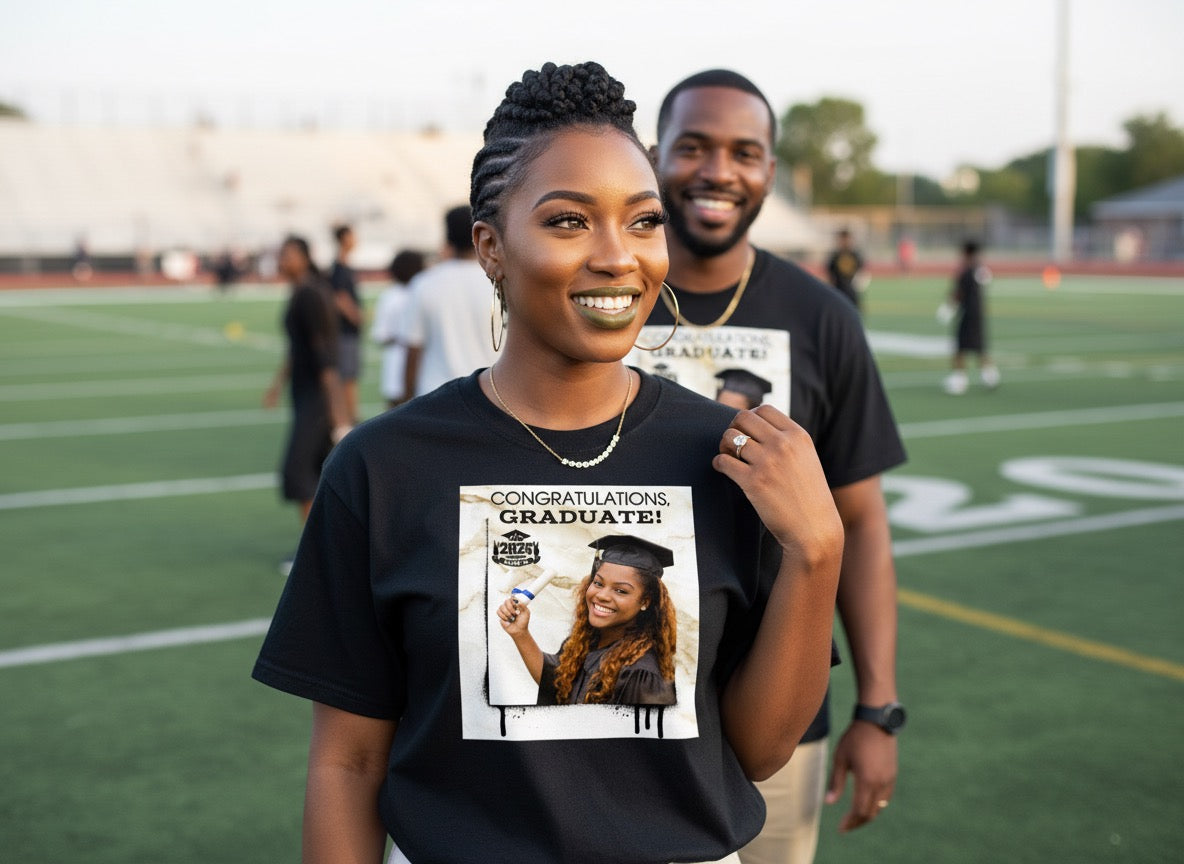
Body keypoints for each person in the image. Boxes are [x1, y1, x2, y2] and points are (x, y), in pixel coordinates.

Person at [253, 61, 843, 864]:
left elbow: (761, 751)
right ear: (491, 248)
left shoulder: (735, 457)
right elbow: (348, 760)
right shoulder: (381, 467)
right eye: (569, 221)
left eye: (642, 222)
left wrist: (817, 551)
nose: (617, 257)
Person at [633, 70, 907, 864]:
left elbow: (857, 519)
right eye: (693, 146)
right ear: (653, 157)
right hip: (616, 712)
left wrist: (878, 707)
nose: (719, 170)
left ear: (770, 175)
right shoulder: (602, 293)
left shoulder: (822, 317)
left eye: (744, 152)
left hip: (779, 716)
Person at [498, 534, 678, 707]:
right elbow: (557, 684)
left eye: (621, 591)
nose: (602, 596)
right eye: (598, 583)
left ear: (645, 601)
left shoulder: (641, 673)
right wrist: (520, 633)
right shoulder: (588, 642)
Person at [262, 235, 352, 527]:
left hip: (318, 398)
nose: (281, 261)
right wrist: (278, 385)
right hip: (306, 395)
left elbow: (325, 357)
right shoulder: (303, 291)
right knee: (314, 472)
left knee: (299, 472)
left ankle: (311, 550)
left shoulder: (311, 294)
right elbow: (297, 347)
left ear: (304, 256)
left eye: (287, 255)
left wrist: (339, 417)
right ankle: (322, 550)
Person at [396, 204, 497, 399]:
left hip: (435, 398)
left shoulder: (424, 283)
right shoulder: (500, 280)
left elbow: (412, 350)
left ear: (448, 237)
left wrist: (406, 401)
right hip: (490, 397)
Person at [370, 249, 426, 409]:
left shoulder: (389, 297)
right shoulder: (422, 292)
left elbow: (380, 335)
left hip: (396, 366)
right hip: (421, 367)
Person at [943, 240, 999, 395]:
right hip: (979, 313)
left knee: (960, 347)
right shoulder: (981, 269)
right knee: (980, 346)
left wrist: (948, 307)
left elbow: (958, 292)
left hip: (967, 313)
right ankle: (990, 376)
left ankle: (959, 380)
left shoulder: (966, 270)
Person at [328, 223, 364, 422]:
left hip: (346, 332)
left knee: (347, 376)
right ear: (344, 239)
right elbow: (339, 297)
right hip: (345, 332)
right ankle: (349, 418)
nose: (355, 240)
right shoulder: (340, 267)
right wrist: (356, 315)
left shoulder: (342, 265)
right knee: (347, 378)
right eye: (352, 236)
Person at [825, 228, 867, 310]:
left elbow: (860, 273)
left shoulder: (855, 255)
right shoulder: (835, 256)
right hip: (838, 291)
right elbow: (830, 275)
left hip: (852, 292)